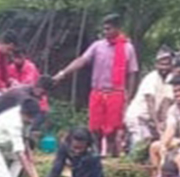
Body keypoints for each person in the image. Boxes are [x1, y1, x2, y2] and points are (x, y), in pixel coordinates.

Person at [52, 13, 137, 157]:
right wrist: (63, 73)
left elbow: (132, 73)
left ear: (117, 28)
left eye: (108, 29)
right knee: (95, 128)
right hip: (97, 92)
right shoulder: (97, 46)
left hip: (115, 92)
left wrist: (129, 96)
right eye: (104, 29)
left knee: (112, 130)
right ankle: (97, 155)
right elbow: (81, 60)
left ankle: (111, 157)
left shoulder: (127, 48)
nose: (105, 32)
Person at [125, 47, 175, 156]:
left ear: (172, 66)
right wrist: (157, 125)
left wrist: (163, 123)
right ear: (156, 65)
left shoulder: (171, 79)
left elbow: (165, 104)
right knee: (140, 143)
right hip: (138, 116)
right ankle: (134, 165)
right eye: (161, 64)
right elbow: (150, 103)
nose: (164, 68)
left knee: (152, 145)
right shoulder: (151, 78)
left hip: (150, 120)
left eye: (167, 64)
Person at [8, 48, 50, 137]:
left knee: (33, 128)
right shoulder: (11, 67)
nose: (17, 59)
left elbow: (28, 84)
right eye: (15, 57)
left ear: (24, 56)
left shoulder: (30, 67)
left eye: (19, 57)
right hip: (21, 102)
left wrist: (15, 84)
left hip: (36, 103)